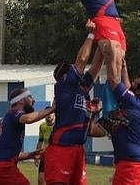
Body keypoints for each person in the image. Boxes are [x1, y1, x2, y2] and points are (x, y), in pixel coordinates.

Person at [55, 0, 125, 126]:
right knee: (112, 55)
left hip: (116, 23)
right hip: (102, 21)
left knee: (118, 63)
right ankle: (116, 110)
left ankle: (111, 112)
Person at [44, 19, 105, 185]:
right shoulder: (64, 86)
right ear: (64, 75)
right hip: (61, 150)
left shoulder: (82, 89)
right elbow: (82, 60)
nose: (77, 69)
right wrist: (92, 33)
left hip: (78, 150)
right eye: (72, 69)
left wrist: (103, 40)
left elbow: (96, 67)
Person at [0, 88, 55, 185]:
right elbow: (29, 118)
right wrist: (52, 109)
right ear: (21, 100)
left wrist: (31, 155)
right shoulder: (15, 113)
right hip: (2, 168)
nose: (33, 100)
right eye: (30, 97)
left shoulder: (8, 118)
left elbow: (8, 153)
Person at [105, 57, 140, 185]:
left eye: (136, 82)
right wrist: (124, 69)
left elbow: (113, 80)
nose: (133, 81)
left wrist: (110, 56)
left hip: (131, 167)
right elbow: (130, 90)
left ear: (139, 91)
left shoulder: (133, 103)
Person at [34, 107, 55, 185]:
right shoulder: (42, 126)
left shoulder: (58, 126)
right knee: (40, 179)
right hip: (45, 155)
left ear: (54, 114)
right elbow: (40, 141)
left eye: (51, 113)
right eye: (47, 113)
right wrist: (36, 154)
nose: (49, 115)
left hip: (55, 156)